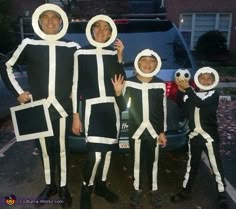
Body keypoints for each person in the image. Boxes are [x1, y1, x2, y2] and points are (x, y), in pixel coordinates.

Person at [2, 4, 80, 208]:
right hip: (39, 110)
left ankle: (63, 187)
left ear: (61, 21)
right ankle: (49, 185)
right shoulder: (28, 43)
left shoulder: (72, 47)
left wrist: (117, 58)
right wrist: (18, 92)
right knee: (45, 150)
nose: (51, 21)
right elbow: (6, 65)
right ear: (39, 20)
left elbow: (86, 72)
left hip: (63, 108)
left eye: (55, 17)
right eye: (46, 17)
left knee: (62, 150)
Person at [72, 15, 125, 209]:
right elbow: (76, 85)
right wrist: (76, 115)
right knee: (95, 154)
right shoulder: (80, 53)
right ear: (91, 30)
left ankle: (101, 186)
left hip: (112, 108)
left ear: (111, 32)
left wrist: (120, 58)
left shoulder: (113, 54)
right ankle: (86, 190)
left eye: (106, 28)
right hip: (91, 109)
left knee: (108, 153)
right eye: (97, 27)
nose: (102, 31)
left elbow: (121, 83)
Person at [112, 49, 167, 209]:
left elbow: (162, 109)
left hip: (153, 131)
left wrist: (162, 132)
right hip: (135, 130)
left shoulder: (160, 84)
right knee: (135, 162)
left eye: (151, 61)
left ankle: (154, 189)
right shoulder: (129, 83)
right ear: (138, 63)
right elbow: (124, 108)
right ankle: (136, 189)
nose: (148, 64)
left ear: (156, 64)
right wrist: (117, 93)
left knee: (153, 161)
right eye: (144, 60)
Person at [171, 67, 229, 209]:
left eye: (209, 78)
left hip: (209, 138)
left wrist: (188, 89)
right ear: (197, 79)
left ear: (214, 81)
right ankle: (186, 191)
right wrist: (180, 89)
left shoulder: (214, 94)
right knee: (192, 165)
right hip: (194, 137)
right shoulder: (193, 94)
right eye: (203, 78)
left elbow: (200, 103)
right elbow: (183, 106)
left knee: (216, 167)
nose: (206, 81)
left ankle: (222, 195)